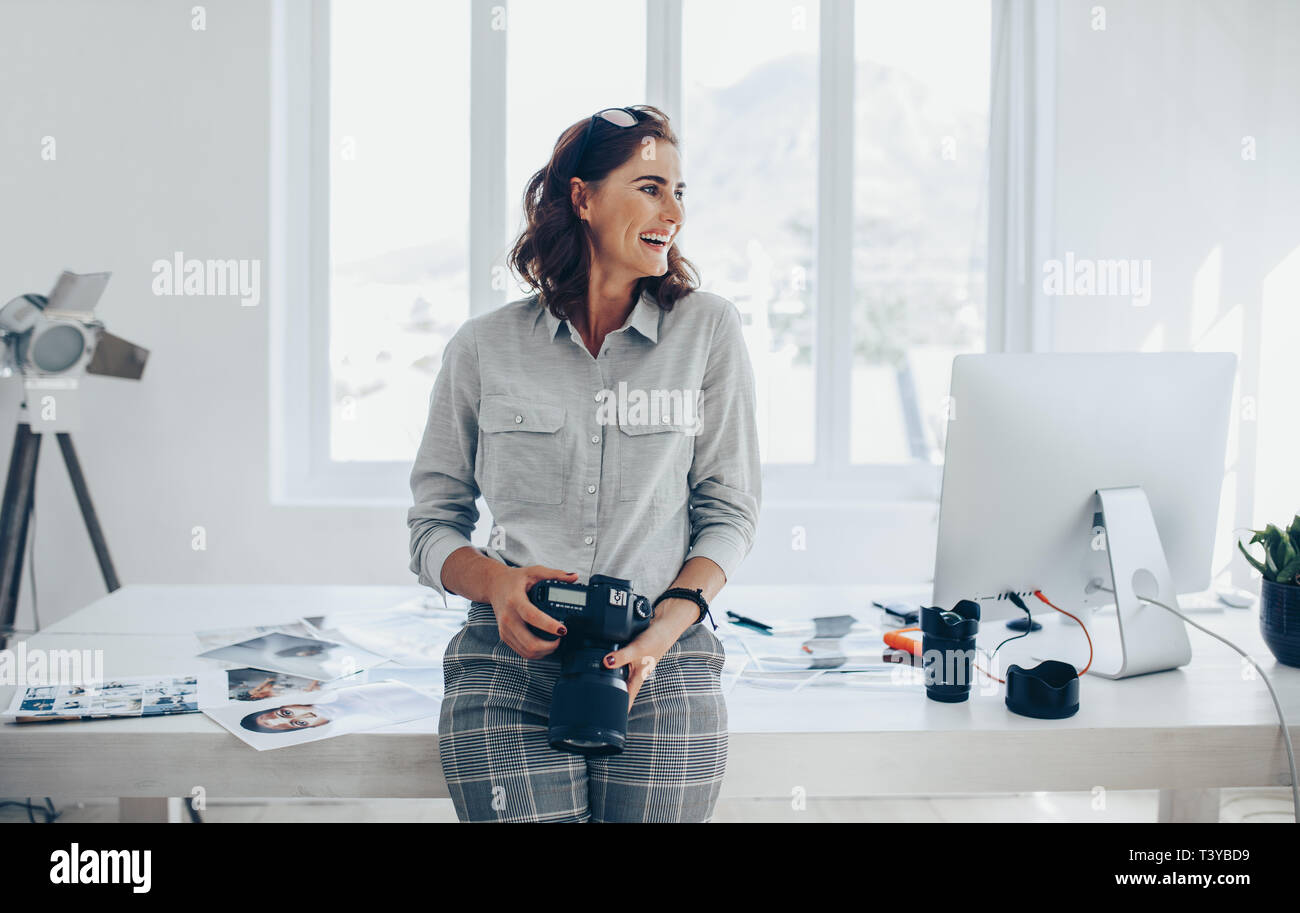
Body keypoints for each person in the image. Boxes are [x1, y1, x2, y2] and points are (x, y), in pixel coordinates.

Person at [408, 105, 761, 822]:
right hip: (509, 663)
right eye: (651, 187)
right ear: (583, 196)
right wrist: (499, 585)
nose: (675, 213)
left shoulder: (708, 331)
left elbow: (730, 511)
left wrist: (665, 629)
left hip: (664, 654)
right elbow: (432, 528)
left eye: (680, 192)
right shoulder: (483, 347)